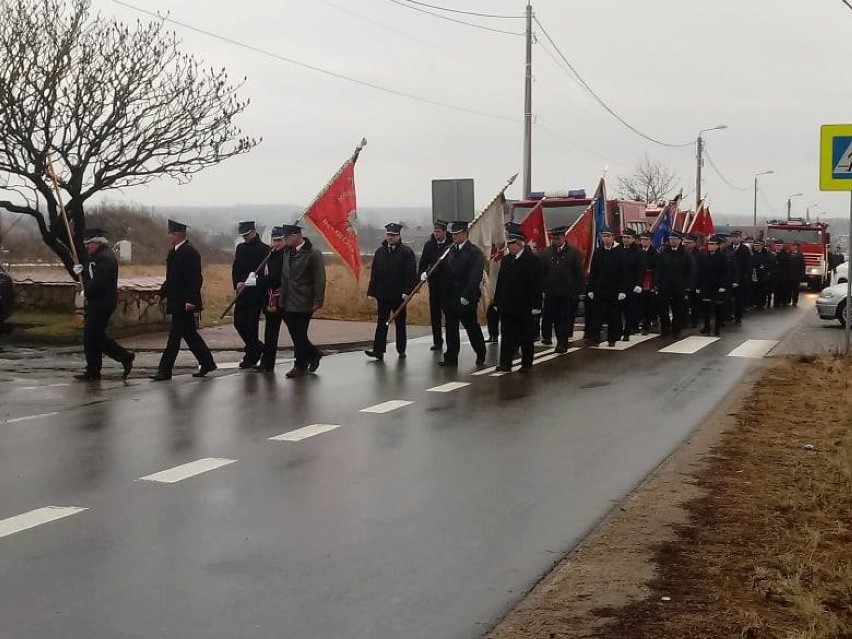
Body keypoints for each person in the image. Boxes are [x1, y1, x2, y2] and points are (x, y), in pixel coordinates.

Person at [150, 220, 217, 381]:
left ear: (179, 235)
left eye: (171, 234)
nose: (169, 237)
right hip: (176, 300)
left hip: (185, 302)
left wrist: (191, 300)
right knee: (190, 335)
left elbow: (195, 279)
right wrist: (161, 293)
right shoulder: (173, 252)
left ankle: (165, 370)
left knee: (174, 337)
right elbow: (171, 278)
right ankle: (207, 362)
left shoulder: (190, 253)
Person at [72, 228, 134, 381]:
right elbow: (89, 275)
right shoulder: (95, 256)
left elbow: (100, 282)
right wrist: (79, 272)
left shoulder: (106, 258)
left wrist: (87, 292)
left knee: (94, 336)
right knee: (91, 337)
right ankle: (93, 369)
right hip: (96, 302)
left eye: (89, 243)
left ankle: (124, 357)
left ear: (98, 242)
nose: (87, 247)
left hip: (103, 302)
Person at [277, 224, 326, 378]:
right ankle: (314, 354)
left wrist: (318, 300)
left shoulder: (312, 253)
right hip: (288, 300)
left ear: (297, 236)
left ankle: (299, 365)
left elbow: (319, 279)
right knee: (296, 334)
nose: (285, 240)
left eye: (287, 237)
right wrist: (281, 299)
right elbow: (284, 278)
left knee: (299, 334)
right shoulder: (286, 252)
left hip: (305, 300)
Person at [366, 223, 417, 362]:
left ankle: (401, 349)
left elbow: (411, 274)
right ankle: (378, 350)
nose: (390, 238)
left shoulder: (406, 252)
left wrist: (407, 291)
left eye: (393, 235)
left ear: (399, 236)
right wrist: (371, 291)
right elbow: (375, 273)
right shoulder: (380, 252)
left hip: (399, 295)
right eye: (389, 235)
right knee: (382, 322)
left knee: (400, 323)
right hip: (383, 294)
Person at [439, 220, 487, 367]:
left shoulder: (475, 252)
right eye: (452, 234)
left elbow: (475, 276)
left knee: (471, 327)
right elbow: (440, 268)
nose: (454, 237)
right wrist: (427, 273)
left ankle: (480, 352)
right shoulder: (448, 250)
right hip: (450, 296)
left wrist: (466, 295)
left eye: (457, 234)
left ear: (465, 234)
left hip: (466, 297)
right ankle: (451, 357)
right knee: (451, 329)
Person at [494, 229, 542, 372]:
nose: (509, 247)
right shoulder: (507, 260)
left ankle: (526, 364)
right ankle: (505, 363)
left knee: (526, 336)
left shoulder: (532, 260)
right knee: (507, 335)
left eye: (511, 244)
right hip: (507, 305)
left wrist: (536, 305)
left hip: (524, 305)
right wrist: (497, 301)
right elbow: (501, 282)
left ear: (519, 244)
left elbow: (536, 285)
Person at [539, 225, 583, 353]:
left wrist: (579, 291)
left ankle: (562, 343)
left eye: (558, 239)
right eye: (553, 239)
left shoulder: (574, 253)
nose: (555, 241)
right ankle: (552, 337)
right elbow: (542, 272)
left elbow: (578, 273)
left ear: (564, 238)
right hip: (551, 292)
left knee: (564, 319)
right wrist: (542, 289)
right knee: (553, 318)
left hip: (567, 293)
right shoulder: (546, 253)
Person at [231, 220, 269, 368]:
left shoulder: (265, 249)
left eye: (247, 234)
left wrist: (255, 281)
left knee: (251, 325)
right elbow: (235, 268)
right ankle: (257, 347)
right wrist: (237, 282)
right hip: (242, 292)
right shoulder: (240, 248)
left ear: (253, 232)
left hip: (256, 293)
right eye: (243, 235)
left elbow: (266, 271)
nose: (245, 238)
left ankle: (251, 356)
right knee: (238, 322)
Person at [586, 227, 627, 347]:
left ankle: (612, 338)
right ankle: (595, 338)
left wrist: (622, 290)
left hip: (614, 289)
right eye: (604, 236)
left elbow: (624, 273)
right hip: (600, 289)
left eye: (608, 236)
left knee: (613, 315)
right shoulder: (598, 252)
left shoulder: (619, 252)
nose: (606, 238)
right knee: (596, 315)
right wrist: (591, 289)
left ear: (613, 237)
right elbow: (593, 272)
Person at [254, 226, 287, 372]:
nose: (277, 243)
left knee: (296, 333)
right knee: (270, 334)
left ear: (285, 240)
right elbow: (264, 273)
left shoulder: (286, 255)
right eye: (275, 240)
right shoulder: (269, 254)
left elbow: (276, 277)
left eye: (280, 240)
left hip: (284, 299)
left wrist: (257, 282)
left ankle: (312, 355)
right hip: (269, 299)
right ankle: (267, 363)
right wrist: (254, 277)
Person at [418, 219, 451, 351]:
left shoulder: (451, 245)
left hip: (448, 286)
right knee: (435, 315)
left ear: (444, 231)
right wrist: (422, 274)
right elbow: (423, 263)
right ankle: (437, 341)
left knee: (449, 316)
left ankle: (451, 342)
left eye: (438, 231)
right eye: (435, 231)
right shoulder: (429, 245)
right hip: (434, 285)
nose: (436, 234)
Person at [655, 231, 694, 338]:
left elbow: (690, 270)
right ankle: (665, 330)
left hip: (679, 286)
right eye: (671, 238)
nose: (672, 240)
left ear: (680, 240)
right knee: (663, 310)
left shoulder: (685, 254)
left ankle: (676, 329)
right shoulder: (664, 252)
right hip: (664, 286)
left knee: (678, 310)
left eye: (675, 238)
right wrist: (657, 283)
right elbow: (658, 269)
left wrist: (688, 286)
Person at [696, 236, 731, 336]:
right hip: (706, 286)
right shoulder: (704, 257)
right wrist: (698, 285)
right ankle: (706, 326)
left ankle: (717, 327)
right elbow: (700, 272)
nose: (710, 246)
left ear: (718, 246)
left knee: (718, 308)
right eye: (709, 244)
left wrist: (723, 286)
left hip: (718, 287)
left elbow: (726, 273)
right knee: (705, 308)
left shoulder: (723, 257)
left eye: (712, 244)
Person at [620, 228, 644, 341]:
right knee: (618, 309)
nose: (625, 239)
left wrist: (638, 284)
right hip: (619, 285)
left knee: (630, 309)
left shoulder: (638, 252)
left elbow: (640, 269)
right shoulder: (617, 250)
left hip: (631, 285)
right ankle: (619, 330)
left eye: (628, 237)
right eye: (624, 237)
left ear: (633, 239)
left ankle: (627, 331)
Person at [726, 230, 752, 323]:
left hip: (741, 278)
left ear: (740, 238)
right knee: (728, 298)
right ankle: (728, 315)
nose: (734, 239)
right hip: (729, 277)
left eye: (736, 237)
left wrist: (746, 276)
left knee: (739, 298)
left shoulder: (745, 249)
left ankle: (738, 316)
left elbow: (748, 264)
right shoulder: (727, 248)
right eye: (733, 237)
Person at [638, 231, 658, 334]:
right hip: (638, 279)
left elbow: (657, 269)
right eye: (642, 239)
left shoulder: (655, 253)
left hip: (649, 279)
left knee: (648, 303)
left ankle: (647, 324)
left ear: (650, 241)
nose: (644, 242)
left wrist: (655, 284)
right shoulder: (637, 250)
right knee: (638, 303)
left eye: (646, 239)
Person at [682, 234, 702, 328]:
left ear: (695, 243)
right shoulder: (681, 253)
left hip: (695, 283)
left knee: (694, 304)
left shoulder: (699, 255)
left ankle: (694, 321)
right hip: (682, 282)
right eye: (685, 242)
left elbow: (701, 271)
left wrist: (699, 285)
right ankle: (684, 321)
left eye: (688, 243)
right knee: (683, 304)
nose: (686, 244)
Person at [751, 239, 774, 310]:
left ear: (761, 246)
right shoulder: (752, 253)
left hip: (763, 275)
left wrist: (764, 266)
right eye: (754, 245)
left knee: (762, 290)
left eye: (757, 245)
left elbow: (771, 263)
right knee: (754, 289)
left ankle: (761, 303)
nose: (756, 247)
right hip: (754, 274)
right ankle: (754, 303)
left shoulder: (767, 254)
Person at [772, 239, 790, 307]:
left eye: (780, 245)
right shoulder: (772, 253)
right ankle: (776, 303)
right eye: (777, 245)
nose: (778, 247)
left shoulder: (786, 254)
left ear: (782, 246)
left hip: (783, 275)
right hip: (775, 274)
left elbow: (788, 265)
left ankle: (783, 301)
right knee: (775, 289)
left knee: (782, 289)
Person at [787, 242, 806, 306]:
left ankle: (795, 301)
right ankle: (788, 300)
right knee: (788, 289)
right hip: (789, 274)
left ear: (796, 247)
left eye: (793, 246)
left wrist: (802, 274)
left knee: (795, 289)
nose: (791, 247)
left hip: (796, 275)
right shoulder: (789, 254)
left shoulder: (800, 255)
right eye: (792, 246)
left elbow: (802, 266)